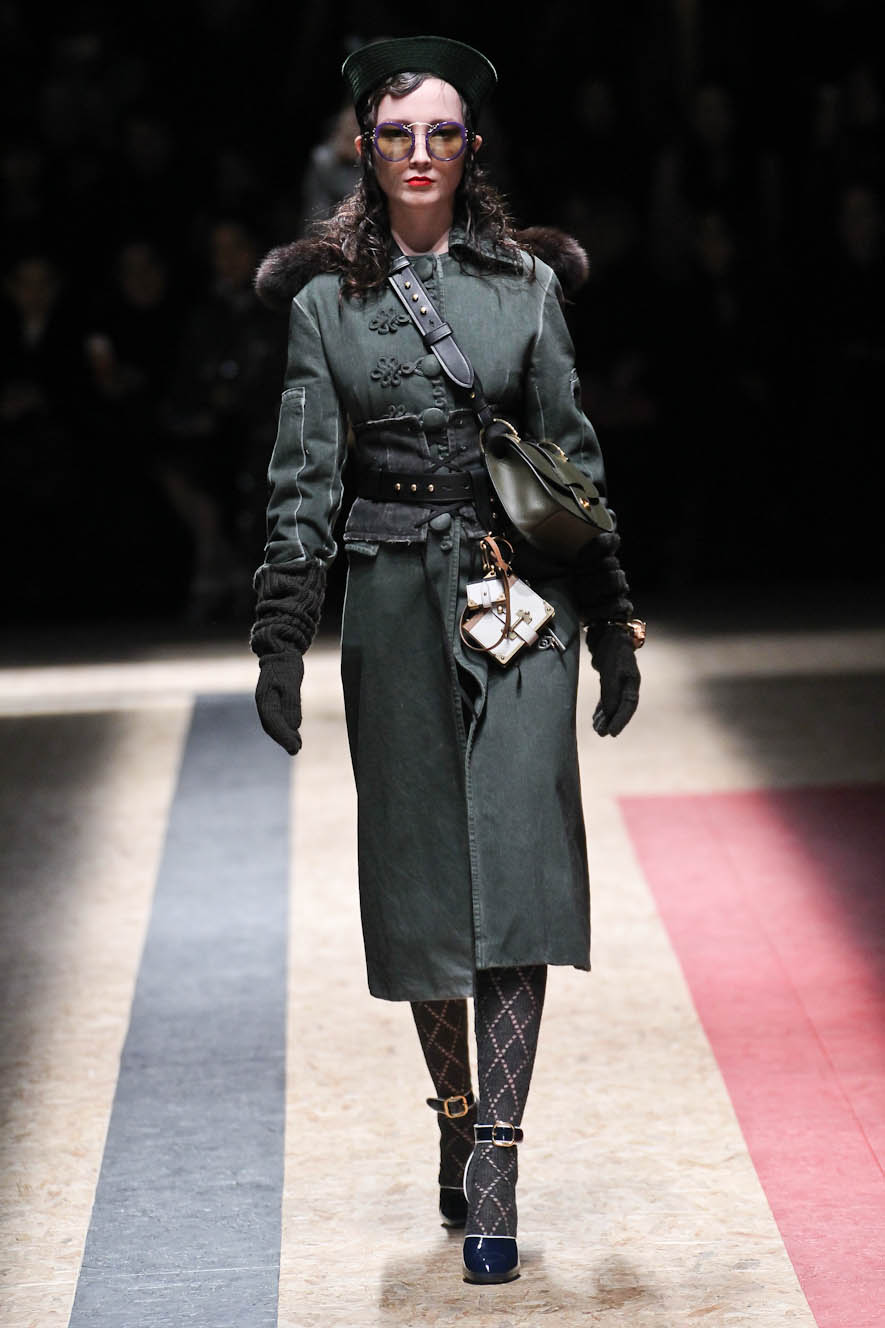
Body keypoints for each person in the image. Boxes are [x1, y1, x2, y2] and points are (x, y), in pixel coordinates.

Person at [249, 35, 643, 1285]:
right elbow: (304, 478)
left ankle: (499, 1164)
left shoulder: (525, 287)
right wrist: (281, 632)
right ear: (365, 150)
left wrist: (612, 618)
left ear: (473, 150)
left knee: (518, 867)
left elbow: (571, 458)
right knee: (424, 874)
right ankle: (458, 1114)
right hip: (390, 598)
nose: (420, 153)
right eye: (397, 134)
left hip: (517, 597)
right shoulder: (324, 305)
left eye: (444, 133)